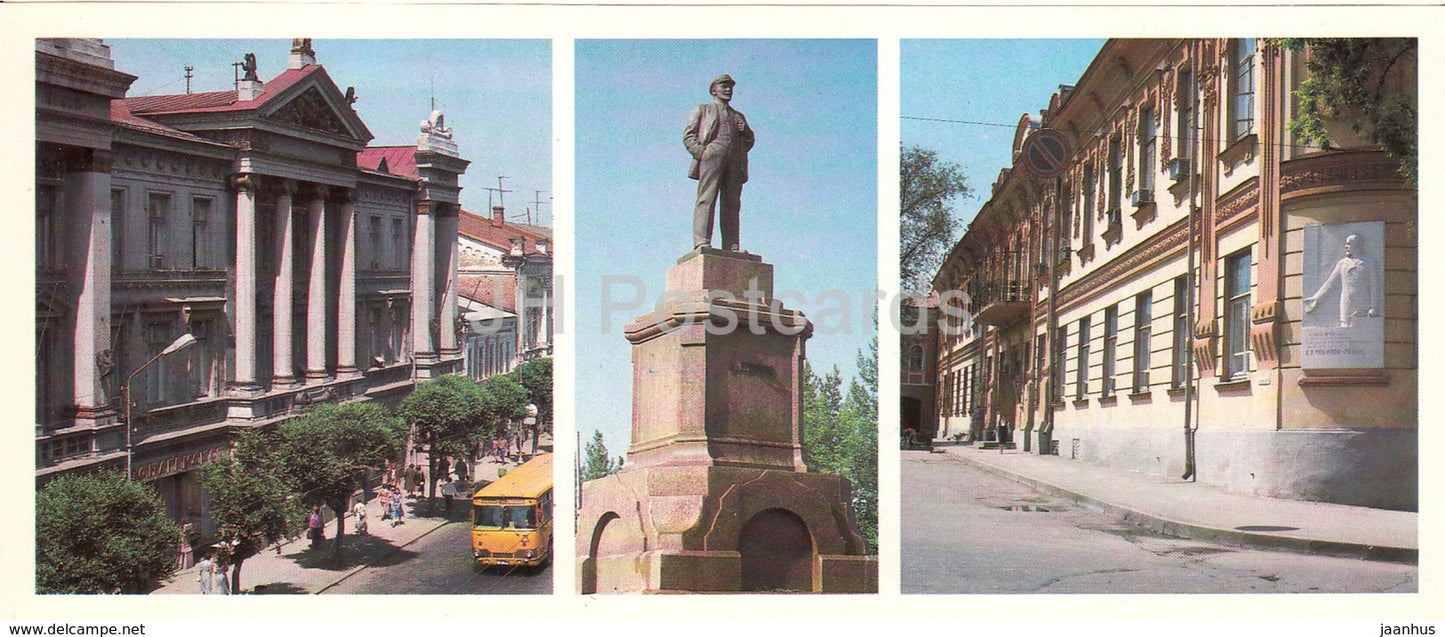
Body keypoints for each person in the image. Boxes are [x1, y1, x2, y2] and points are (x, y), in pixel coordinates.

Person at [684, 73, 755, 251]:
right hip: (712, 154)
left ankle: (732, 245)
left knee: (732, 204)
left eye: (730, 87)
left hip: (734, 160)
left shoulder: (738, 115)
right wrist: (702, 152)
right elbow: (688, 135)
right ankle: (701, 241)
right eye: (724, 86)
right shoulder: (703, 109)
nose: (728, 90)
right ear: (714, 90)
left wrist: (745, 131)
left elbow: (749, 142)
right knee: (706, 198)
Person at [1305, 233, 1381, 328]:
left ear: (1356, 245)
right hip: (1346, 304)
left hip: (1362, 305)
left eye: (1348, 244)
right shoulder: (1342, 263)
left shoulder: (1369, 262)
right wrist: (1315, 299)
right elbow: (1330, 283)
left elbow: (1374, 286)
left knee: (1361, 334)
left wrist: (1374, 307)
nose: (1346, 246)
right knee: (1345, 331)